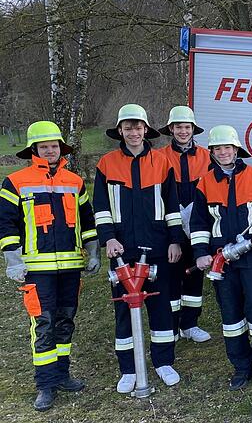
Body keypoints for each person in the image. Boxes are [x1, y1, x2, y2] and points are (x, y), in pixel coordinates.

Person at [0, 121, 99, 411]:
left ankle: (62, 374)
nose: (50, 150)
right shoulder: (15, 182)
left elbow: (88, 222)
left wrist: (93, 253)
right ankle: (45, 384)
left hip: (70, 267)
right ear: (34, 149)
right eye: (44, 146)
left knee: (66, 321)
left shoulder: (75, 181)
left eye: (54, 145)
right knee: (43, 325)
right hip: (36, 270)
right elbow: (6, 225)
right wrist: (13, 261)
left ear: (60, 148)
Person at [93, 104, 184, 393]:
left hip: (158, 247)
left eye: (138, 126)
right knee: (124, 310)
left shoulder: (162, 162)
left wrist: (174, 240)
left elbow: (172, 207)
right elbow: (101, 207)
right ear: (120, 130)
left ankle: (163, 362)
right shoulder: (106, 163)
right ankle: (129, 369)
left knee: (161, 307)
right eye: (128, 127)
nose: (134, 132)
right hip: (121, 248)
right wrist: (108, 238)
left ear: (147, 130)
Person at [190, 125, 252, 390]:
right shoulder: (205, 183)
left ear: (236, 149)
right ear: (212, 152)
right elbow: (198, 223)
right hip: (222, 260)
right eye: (218, 148)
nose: (224, 152)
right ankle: (242, 367)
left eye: (228, 147)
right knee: (230, 315)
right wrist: (200, 253)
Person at [157, 105, 212, 343]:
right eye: (178, 127)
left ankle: (190, 323)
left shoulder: (206, 156)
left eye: (186, 127)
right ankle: (170, 324)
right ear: (171, 128)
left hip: (198, 223)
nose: (182, 131)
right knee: (171, 274)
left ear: (193, 130)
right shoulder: (159, 156)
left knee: (195, 273)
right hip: (170, 223)